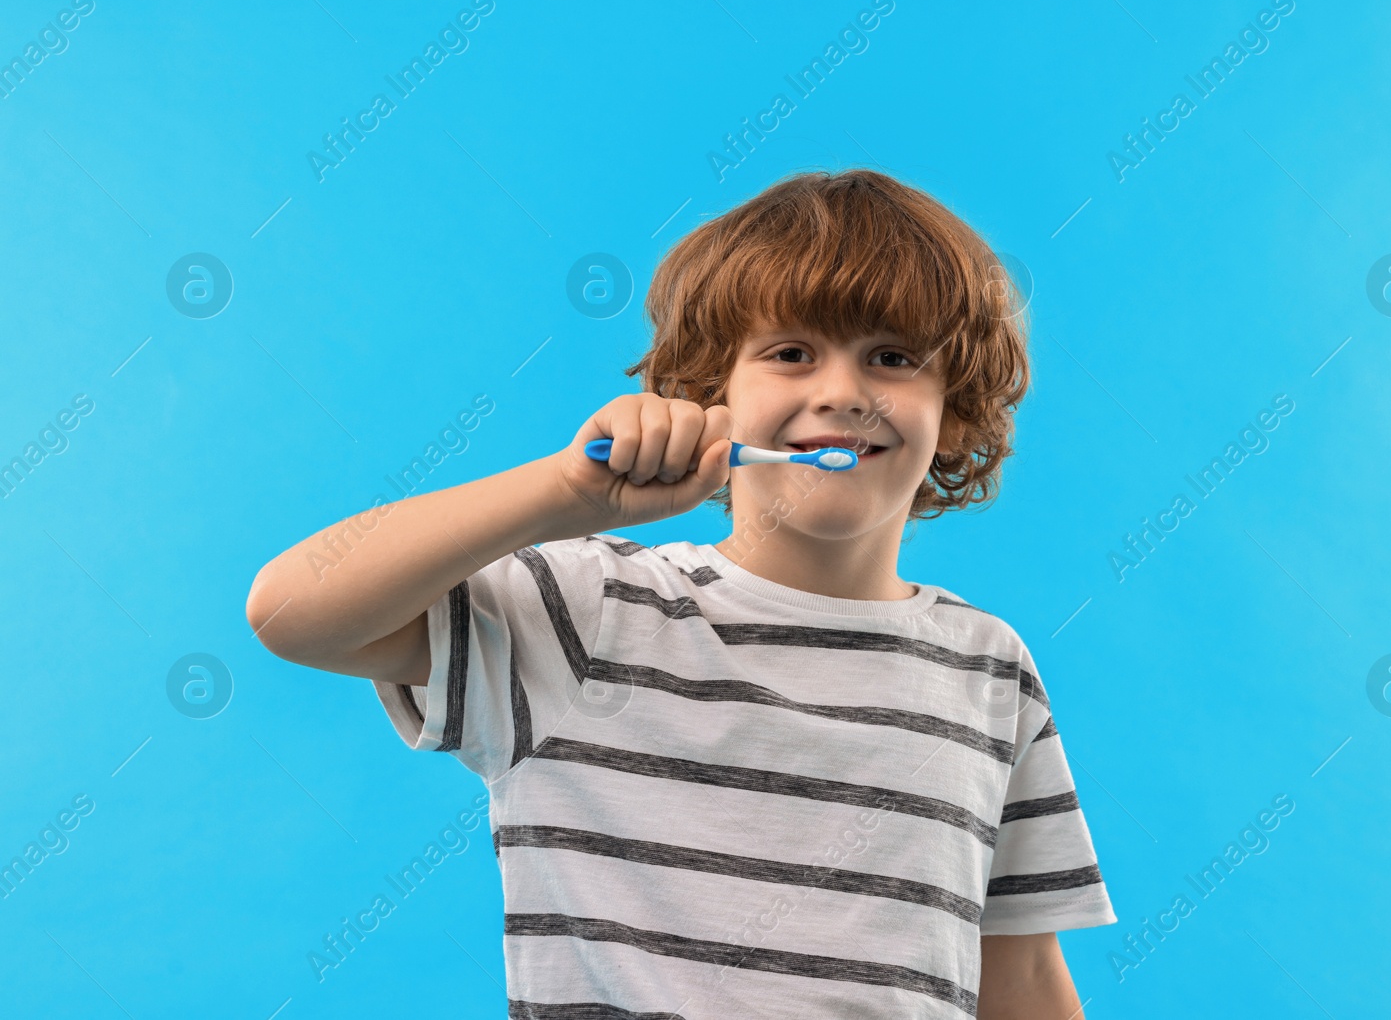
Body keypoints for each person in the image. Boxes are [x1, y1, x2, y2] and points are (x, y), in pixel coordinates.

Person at [246, 168, 1116, 1018]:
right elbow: (291, 612)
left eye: (891, 357)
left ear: (954, 410)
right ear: (710, 398)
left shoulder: (992, 668)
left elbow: (1023, 975)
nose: (843, 392)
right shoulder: (587, 612)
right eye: (790, 352)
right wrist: (562, 494)